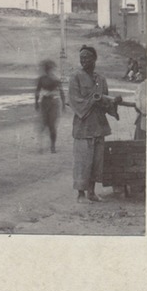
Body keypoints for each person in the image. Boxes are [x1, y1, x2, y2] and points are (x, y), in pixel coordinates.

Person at [69, 44, 119, 201]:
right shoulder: (75, 77)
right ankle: (81, 194)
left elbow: (106, 102)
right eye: (81, 58)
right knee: (83, 161)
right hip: (83, 126)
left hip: (98, 125)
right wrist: (93, 101)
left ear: (95, 59)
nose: (84, 60)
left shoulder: (101, 79)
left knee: (96, 161)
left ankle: (91, 192)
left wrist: (113, 103)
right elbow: (74, 100)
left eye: (87, 57)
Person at [33, 58, 64, 153]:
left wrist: (63, 104)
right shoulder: (43, 79)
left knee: (51, 125)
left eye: (49, 68)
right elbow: (37, 92)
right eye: (47, 69)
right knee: (44, 124)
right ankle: (43, 147)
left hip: (53, 103)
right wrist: (36, 103)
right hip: (46, 102)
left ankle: (52, 146)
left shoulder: (54, 79)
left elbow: (61, 92)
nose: (48, 70)